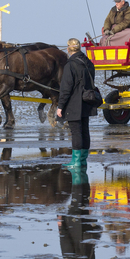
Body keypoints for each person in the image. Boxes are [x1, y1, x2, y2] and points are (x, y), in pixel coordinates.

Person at [57, 38, 97, 168]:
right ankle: (83, 160)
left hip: (74, 103)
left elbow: (65, 88)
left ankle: (75, 161)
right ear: (80, 48)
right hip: (87, 100)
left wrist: (60, 106)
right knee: (85, 130)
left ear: (68, 49)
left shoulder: (70, 65)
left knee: (76, 131)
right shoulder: (89, 63)